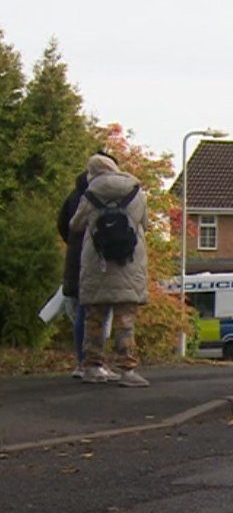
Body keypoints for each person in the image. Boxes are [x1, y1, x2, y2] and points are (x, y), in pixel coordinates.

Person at [69, 154, 151, 387]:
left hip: (98, 263)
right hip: (129, 262)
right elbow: (145, 224)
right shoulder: (136, 192)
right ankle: (127, 370)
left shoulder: (90, 195)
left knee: (94, 319)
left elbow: (75, 225)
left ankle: (93, 366)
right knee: (125, 320)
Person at [57, 165, 117, 381]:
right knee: (94, 313)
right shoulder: (98, 196)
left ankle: (84, 361)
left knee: (82, 312)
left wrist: (73, 244)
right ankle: (91, 362)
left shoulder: (74, 196)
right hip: (94, 261)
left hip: (74, 262)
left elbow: (65, 225)